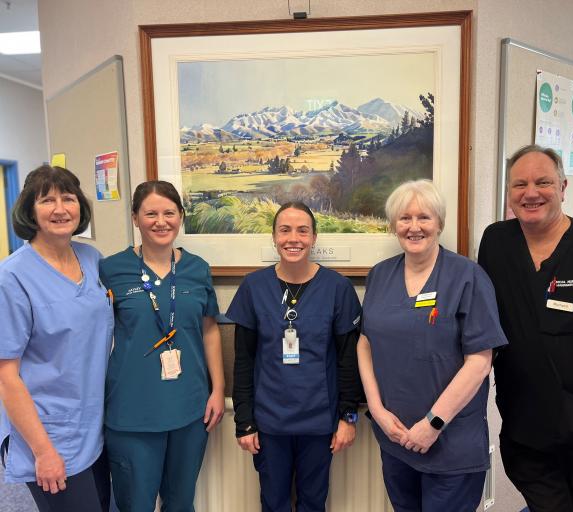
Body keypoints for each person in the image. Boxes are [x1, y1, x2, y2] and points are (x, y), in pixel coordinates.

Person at [478, 144, 573, 512]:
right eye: (520, 184)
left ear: (563, 187)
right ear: (509, 194)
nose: (531, 193)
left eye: (543, 182)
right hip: (525, 428)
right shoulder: (496, 242)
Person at [357, 180, 508, 512]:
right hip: (395, 438)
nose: (414, 227)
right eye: (404, 218)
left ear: (439, 223)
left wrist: (433, 423)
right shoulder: (380, 275)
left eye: (424, 217)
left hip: (450, 443)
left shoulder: (468, 276)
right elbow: (365, 342)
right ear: (393, 225)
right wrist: (378, 411)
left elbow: (481, 361)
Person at [227, 201, 362, 512]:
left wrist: (348, 417)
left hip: (320, 422)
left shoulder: (337, 288)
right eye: (285, 230)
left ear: (314, 237)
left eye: (303, 231)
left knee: (313, 502)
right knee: (273, 503)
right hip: (269, 422)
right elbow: (244, 360)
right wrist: (244, 422)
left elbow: (347, 360)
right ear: (274, 237)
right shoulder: (253, 287)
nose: (293, 238)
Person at [99, 180, 225, 511]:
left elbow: (209, 328)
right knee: (136, 504)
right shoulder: (111, 270)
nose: (161, 221)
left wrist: (217, 389)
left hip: (189, 406)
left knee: (181, 502)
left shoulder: (197, 269)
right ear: (135, 218)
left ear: (180, 216)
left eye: (169, 212)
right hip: (132, 412)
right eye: (150, 213)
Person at [0, 165, 113, 512]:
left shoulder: (92, 259)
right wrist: (43, 451)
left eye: (68, 198)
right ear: (29, 211)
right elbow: (6, 375)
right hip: (49, 434)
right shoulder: (12, 276)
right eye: (47, 200)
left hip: (93, 426)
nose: (61, 208)